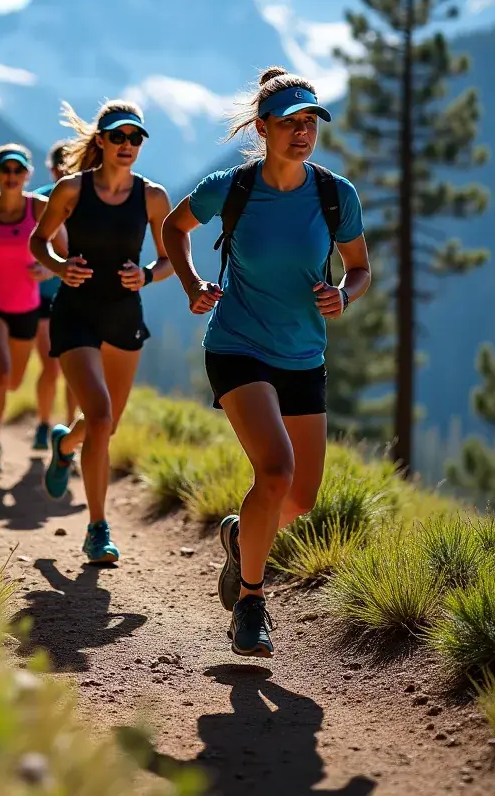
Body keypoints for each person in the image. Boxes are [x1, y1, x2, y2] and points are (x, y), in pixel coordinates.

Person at [161, 66, 370, 659]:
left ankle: (238, 536)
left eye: (311, 123)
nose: (303, 133)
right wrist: (192, 282)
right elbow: (175, 229)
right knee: (274, 471)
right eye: (290, 123)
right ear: (262, 127)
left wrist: (345, 295)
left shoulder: (336, 196)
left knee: (300, 499)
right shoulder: (232, 188)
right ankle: (251, 601)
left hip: (303, 354)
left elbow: (360, 267)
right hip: (237, 345)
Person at [30, 101, 174, 564]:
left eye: (136, 138)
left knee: (104, 424)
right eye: (118, 137)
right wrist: (58, 266)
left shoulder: (153, 197)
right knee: (99, 418)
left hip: (123, 315)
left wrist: (149, 275)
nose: (128, 145)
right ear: (101, 141)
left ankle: (63, 444)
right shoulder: (71, 189)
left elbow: (174, 259)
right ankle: (97, 528)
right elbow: (39, 239)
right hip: (74, 312)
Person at [0, 144, 63, 478]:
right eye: (6, 170)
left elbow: (63, 249)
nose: (12, 176)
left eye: (18, 171)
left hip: (26, 307)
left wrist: (49, 270)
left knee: (15, 380)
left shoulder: (41, 207)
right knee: (1, 373)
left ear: (27, 175)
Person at [31, 141, 77, 450]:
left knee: (74, 371)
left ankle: (70, 429)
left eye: (69, 165)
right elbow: (32, 243)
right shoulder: (39, 201)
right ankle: (43, 423)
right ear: (51, 168)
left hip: (78, 296)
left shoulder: (87, 198)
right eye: (59, 166)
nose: (64, 171)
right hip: (43, 297)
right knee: (51, 365)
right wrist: (50, 268)